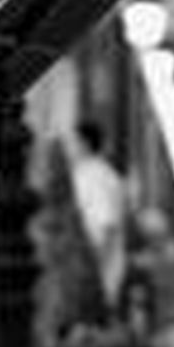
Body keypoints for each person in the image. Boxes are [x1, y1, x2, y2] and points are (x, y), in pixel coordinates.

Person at [71, 120, 128, 312]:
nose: (70, 148)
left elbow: (106, 224)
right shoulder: (100, 174)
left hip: (94, 267)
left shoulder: (95, 176)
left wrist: (93, 270)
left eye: (73, 142)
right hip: (93, 266)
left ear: (84, 144)